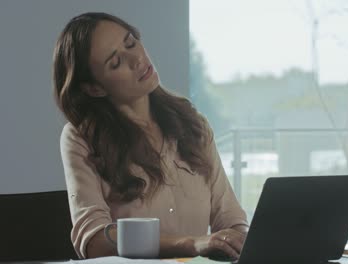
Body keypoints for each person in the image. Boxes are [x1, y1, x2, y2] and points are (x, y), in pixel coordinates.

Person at [52, 12, 248, 259]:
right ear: (95, 88)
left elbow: (229, 217)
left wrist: (242, 240)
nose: (136, 59)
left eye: (131, 42)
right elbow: (94, 241)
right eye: (116, 62)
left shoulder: (193, 123)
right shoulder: (80, 139)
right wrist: (193, 243)